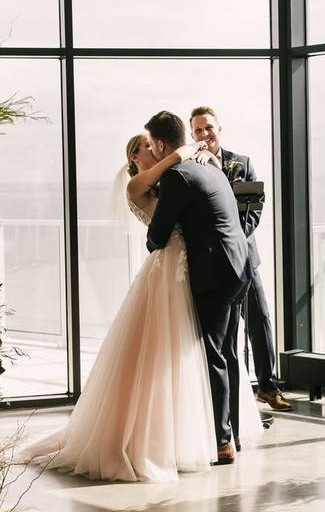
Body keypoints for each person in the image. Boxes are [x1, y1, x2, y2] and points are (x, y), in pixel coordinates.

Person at [22, 133, 261, 481]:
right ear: (136, 155)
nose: (155, 149)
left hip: (193, 266)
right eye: (148, 146)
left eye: (155, 144)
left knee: (200, 352)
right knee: (175, 348)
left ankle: (211, 430)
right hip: (170, 265)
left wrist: (184, 157)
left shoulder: (171, 176)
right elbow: (160, 229)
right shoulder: (139, 183)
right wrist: (182, 154)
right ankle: (187, 435)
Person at [146, 110, 253, 464]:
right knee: (229, 355)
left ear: (161, 144)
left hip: (215, 272)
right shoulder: (209, 165)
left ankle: (222, 442)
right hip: (239, 266)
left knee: (214, 356)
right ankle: (232, 431)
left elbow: (157, 235)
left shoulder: (178, 175)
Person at [189, 106, 292, 412]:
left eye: (208, 128)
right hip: (212, 264)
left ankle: (268, 387)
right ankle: (232, 396)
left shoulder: (242, 163)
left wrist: (232, 239)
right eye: (197, 130)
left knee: (259, 319)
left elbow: (254, 209)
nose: (204, 134)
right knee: (223, 332)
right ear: (191, 135)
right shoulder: (191, 167)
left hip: (245, 258)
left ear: (219, 129)